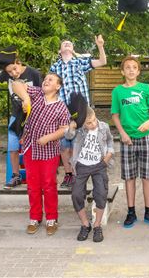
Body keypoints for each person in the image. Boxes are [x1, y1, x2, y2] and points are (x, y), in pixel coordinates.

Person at [12, 73, 70, 236]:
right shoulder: (36, 94)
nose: (46, 81)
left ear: (58, 86)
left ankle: (52, 218)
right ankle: (35, 217)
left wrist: (48, 138)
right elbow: (16, 84)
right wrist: (26, 98)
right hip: (30, 147)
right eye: (45, 79)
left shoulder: (61, 107)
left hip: (49, 151)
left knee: (49, 185)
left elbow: (64, 129)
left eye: (50, 80)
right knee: (32, 184)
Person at [111, 56, 149, 228]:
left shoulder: (145, 88)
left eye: (134, 67)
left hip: (147, 137)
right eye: (127, 67)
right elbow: (115, 115)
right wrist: (122, 133)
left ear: (139, 71)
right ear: (122, 71)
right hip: (128, 139)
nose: (131, 70)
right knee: (130, 177)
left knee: (147, 177)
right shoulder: (117, 91)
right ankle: (131, 211)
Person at [49, 36, 107, 189]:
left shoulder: (80, 62)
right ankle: (68, 175)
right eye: (64, 43)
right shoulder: (55, 68)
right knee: (64, 145)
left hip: (80, 110)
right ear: (60, 51)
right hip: (61, 110)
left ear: (73, 50)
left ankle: (77, 175)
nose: (67, 43)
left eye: (70, 43)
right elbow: (49, 89)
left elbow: (102, 62)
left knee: (78, 143)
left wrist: (100, 46)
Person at [0, 51, 42, 189]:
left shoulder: (33, 73)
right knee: (13, 147)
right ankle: (16, 175)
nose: (13, 73)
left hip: (33, 115)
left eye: (15, 69)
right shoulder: (6, 74)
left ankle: (36, 176)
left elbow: (43, 93)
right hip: (16, 115)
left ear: (19, 63)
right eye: (9, 71)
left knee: (33, 148)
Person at [65, 107, 114, 242]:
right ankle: (85, 224)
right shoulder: (80, 130)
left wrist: (108, 155)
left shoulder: (104, 127)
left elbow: (110, 141)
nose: (92, 125)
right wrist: (72, 126)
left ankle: (97, 225)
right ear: (82, 123)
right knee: (76, 194)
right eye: (88, 123)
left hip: (99, 165)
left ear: (95, 116)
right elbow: (68, 136)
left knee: (101, 193)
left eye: (93, 121)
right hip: (81, 166)